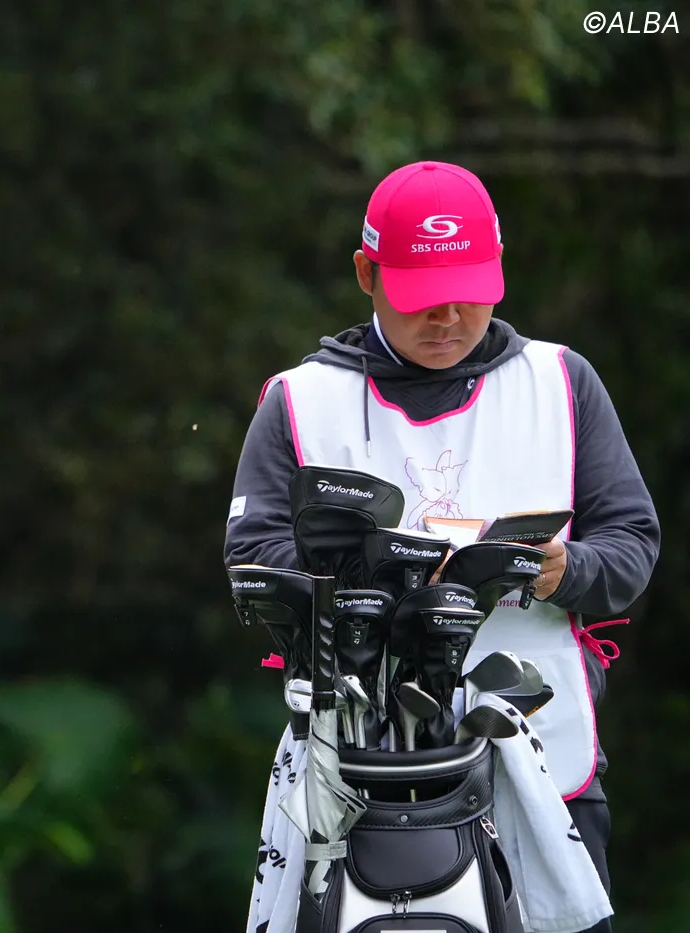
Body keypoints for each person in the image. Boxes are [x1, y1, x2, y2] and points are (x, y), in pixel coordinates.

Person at [225, 160, 658, 931]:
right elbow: (253, 558)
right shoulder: (301, 398)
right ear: (367, 273)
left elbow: (631, 543)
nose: (449, 316)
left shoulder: (562, 381)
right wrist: (366, 587)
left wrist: (565, 570)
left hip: (544, 756)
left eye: (469, 290)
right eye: (422, 295)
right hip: (356, 771)